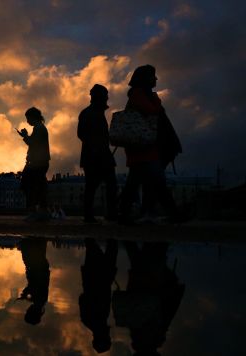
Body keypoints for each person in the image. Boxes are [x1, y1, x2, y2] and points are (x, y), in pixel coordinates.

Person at [118, 65, 183, 224]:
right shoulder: (139, 94)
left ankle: (123, 213)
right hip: (144, 148)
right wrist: (157, 101)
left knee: (136, 183)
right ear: (145, 78)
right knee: (156, 181)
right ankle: (172, 213)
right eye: (153, 76)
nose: (156, 79)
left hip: (144, 147)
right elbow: (152, 111)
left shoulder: (141, 94)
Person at [78, 85, 118, 223]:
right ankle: (104, 214)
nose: (107, 98)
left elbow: (82, 134)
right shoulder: (90, 113)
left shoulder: (91, 112)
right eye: (105, 95)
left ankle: (92, 215)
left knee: (95, 186)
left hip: (96, 155)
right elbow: (82, 134)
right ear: (99, 97)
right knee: (104, 185)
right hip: (96, 156)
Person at [79, 238, 118, 353]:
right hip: (93, 278)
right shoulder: (87, 321)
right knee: (94, 245)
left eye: (108, 338)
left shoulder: (96, 320)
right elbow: (81, 298)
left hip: (100, 278)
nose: (109, 336)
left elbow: (83, 299)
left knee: (107, 246)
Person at [18, 107, 50, 221]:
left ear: (33, 117)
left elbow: (33, 144)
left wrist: (25, 136)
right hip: (41, 162)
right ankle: (42, 210)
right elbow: (34, 143)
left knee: (29, 185)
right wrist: (26, 136)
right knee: (39, 186)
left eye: (28, 118)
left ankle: (34, 211)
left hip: (37, 162)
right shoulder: (40, 128)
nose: (27, 121)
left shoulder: (39, 128)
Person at [17, 237, 50, 325]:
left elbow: (32, 287)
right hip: (37, 268)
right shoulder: (39, 301)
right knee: (31, 246)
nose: (27, 310)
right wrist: (25, 294)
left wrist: (26, 294)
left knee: (34, 246)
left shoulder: (39, 302)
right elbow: (35, 286)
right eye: (27, 312)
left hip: (38, 268)